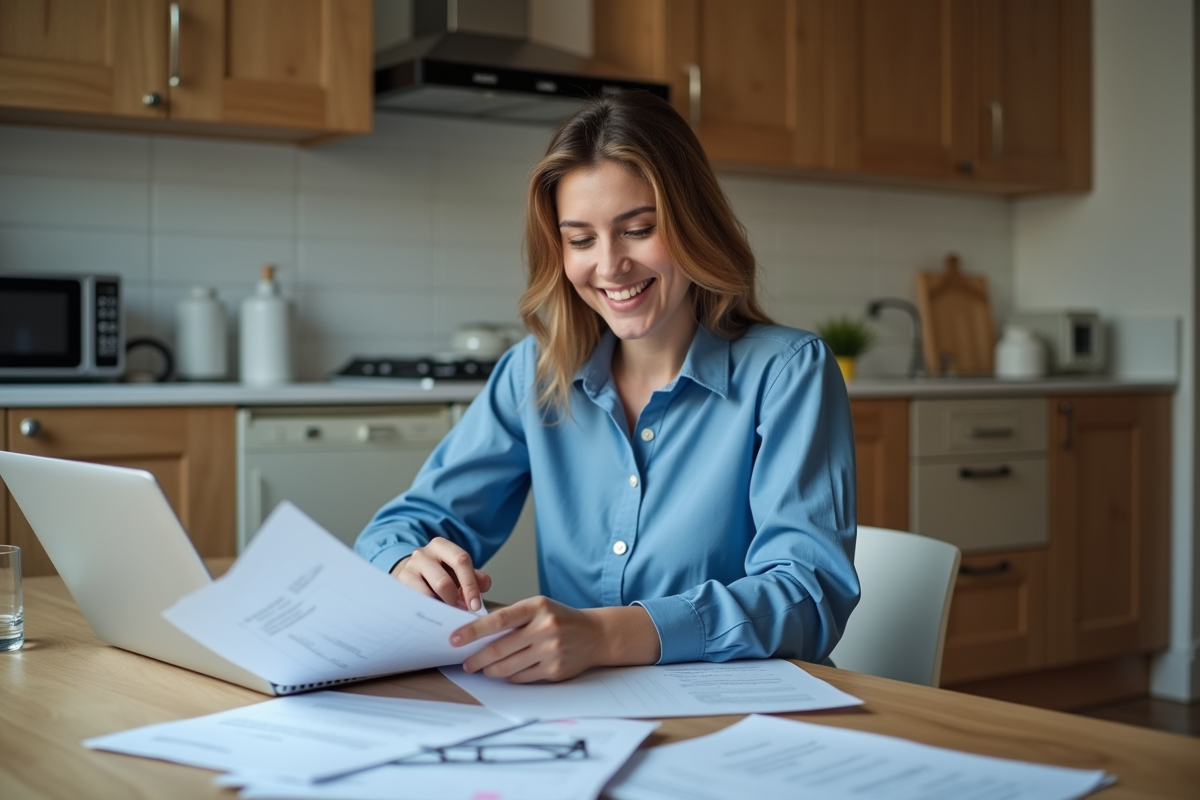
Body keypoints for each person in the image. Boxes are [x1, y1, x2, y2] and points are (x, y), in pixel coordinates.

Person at [355, 90, 859, 684]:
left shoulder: (787, 371)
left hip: (743, 711)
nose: (610, 265)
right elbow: (401, 527)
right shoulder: (534, 373)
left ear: (695, 224)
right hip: (581, 714)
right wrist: (405, 566)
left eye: (639, 229)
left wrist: (603, 635)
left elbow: (807, 596)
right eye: (581, 239)